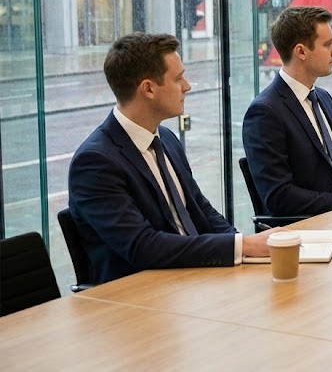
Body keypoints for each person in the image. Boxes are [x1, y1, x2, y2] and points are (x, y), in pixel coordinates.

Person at [69, 33, 276, 284]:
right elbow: (142, 247)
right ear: (148, 89)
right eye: (178, 78)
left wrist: (247, 250)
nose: (187, 86)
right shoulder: (95, 162)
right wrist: (242, 246)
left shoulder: (166, 138)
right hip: (143, 295)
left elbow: (201, 209)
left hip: (193, 279)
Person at [243, 6, 332, 217]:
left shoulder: (323, 98)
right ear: (301, 52)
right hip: (317, 228)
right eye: (327, 44)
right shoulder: (265, 112)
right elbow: (279, 196)